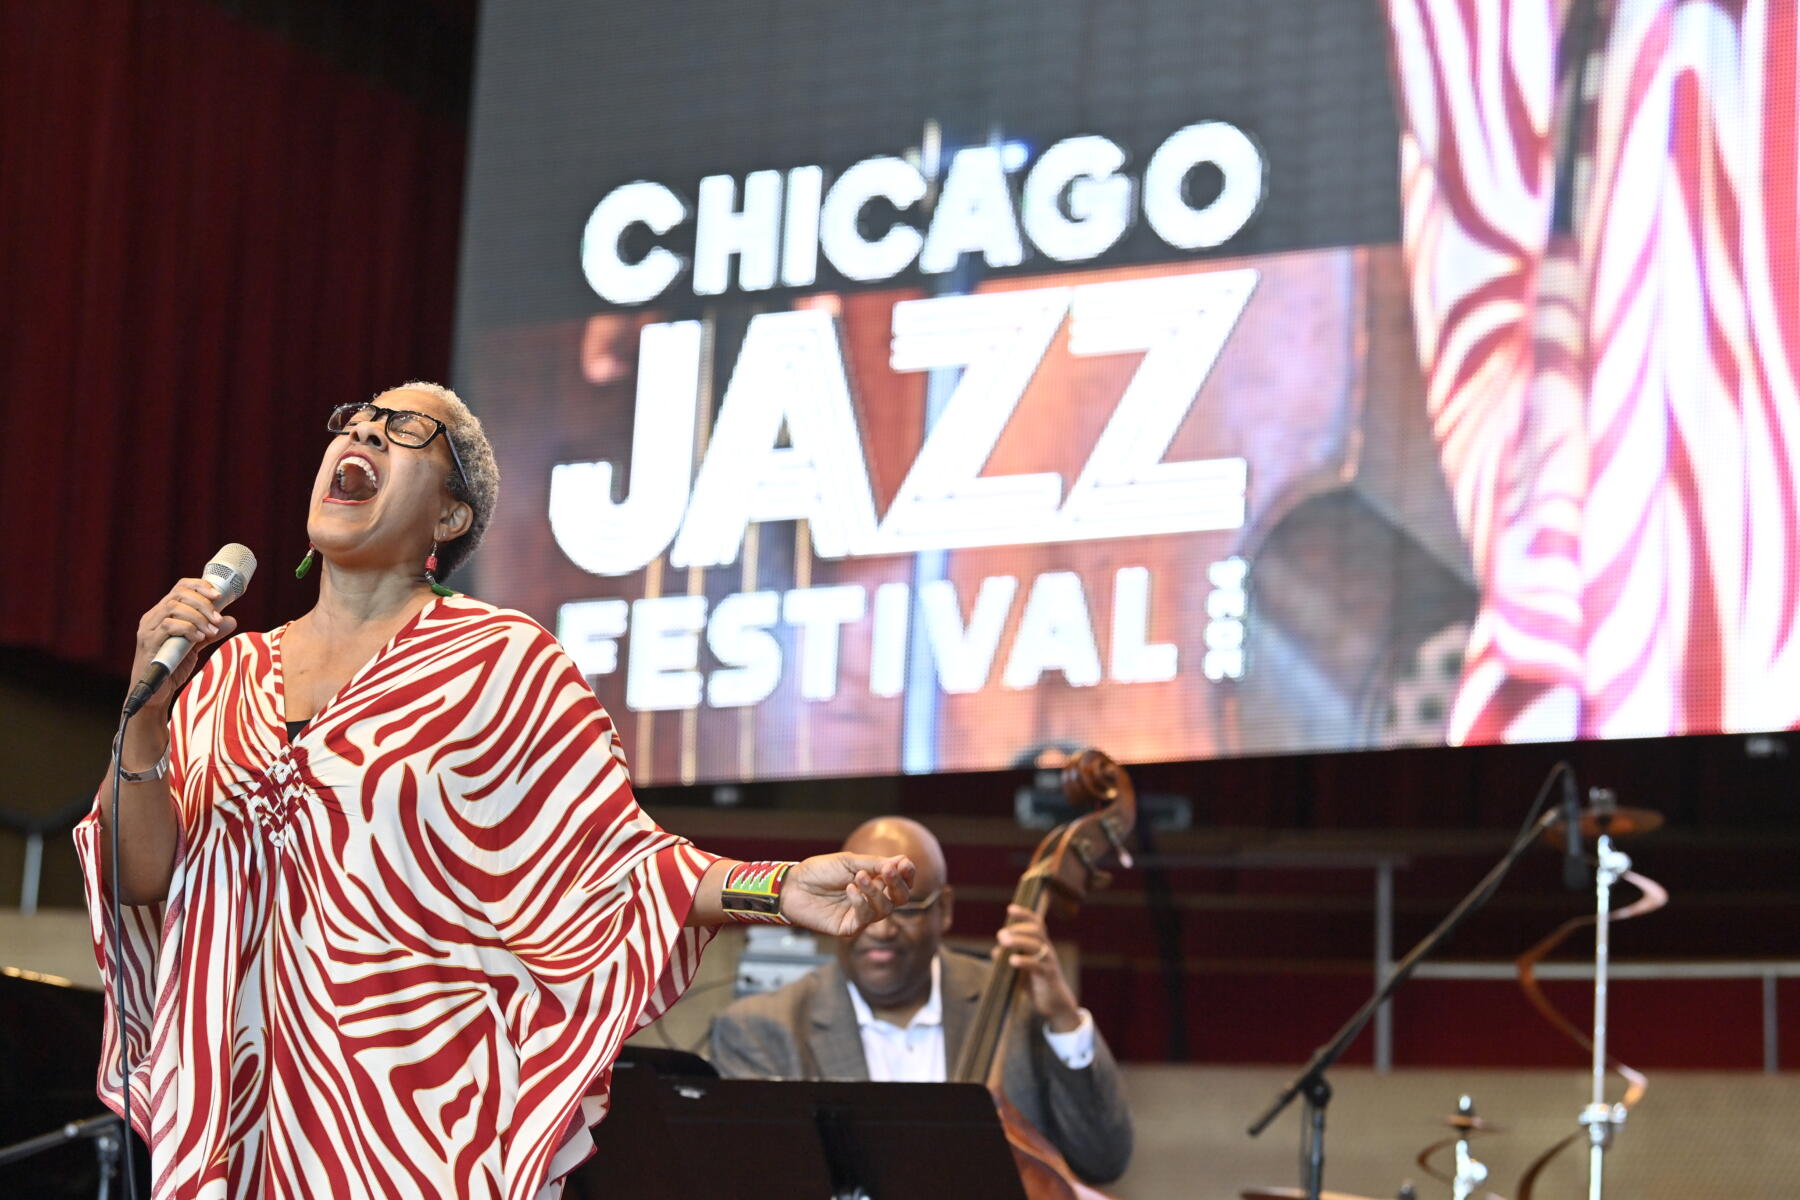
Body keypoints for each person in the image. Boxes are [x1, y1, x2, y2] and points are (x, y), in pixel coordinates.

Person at [78, 382, 915, 1200]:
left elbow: (618, 865)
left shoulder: (503, 663)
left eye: (402, 431)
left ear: (450, 517)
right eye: (355, 422)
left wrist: (774, 888)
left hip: (415, 1131)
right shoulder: (226, 674)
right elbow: (140, 877)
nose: (362, 437)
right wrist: (146, 714)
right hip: (245, 1122)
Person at [709, 816, 1133, 1185]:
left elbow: (1103, 1159)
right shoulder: (762, 1028)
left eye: (905, 908)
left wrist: (1063, 1019)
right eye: (862, 903)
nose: (880, 929)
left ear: (944, 910)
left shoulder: (1017, 1005)